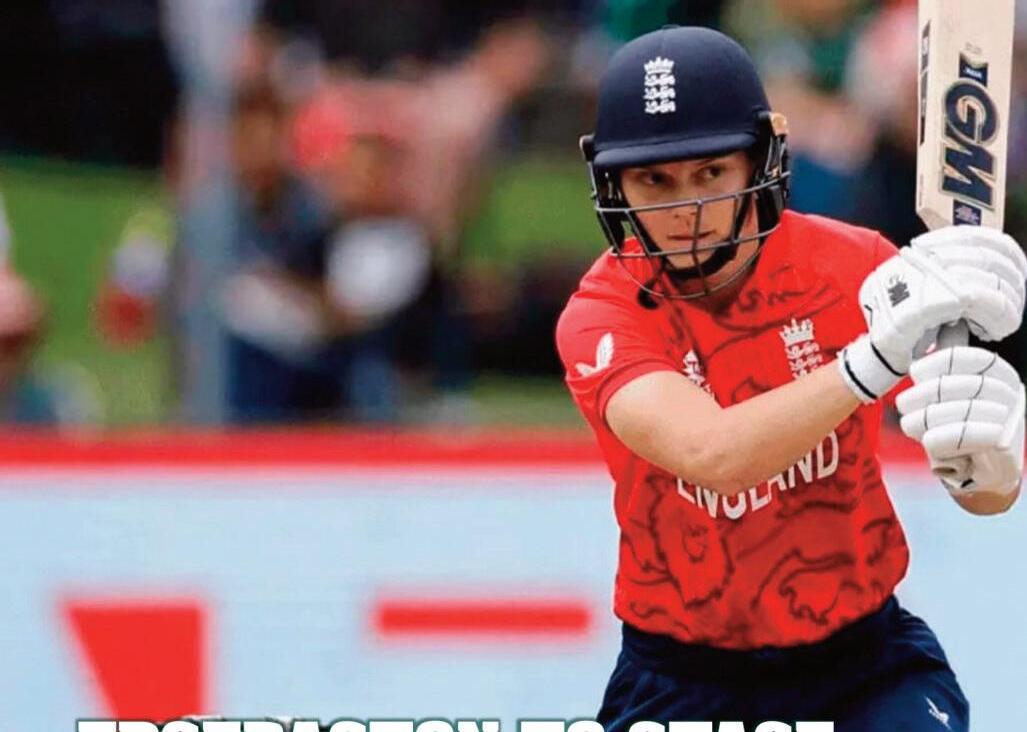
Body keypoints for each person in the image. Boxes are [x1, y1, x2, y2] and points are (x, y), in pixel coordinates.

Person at [555, 26, 1026, 731]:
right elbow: (712, 456)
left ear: (759, 160)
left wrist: (988, 459)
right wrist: (870, 362)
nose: (685, 210)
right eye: (655, 180)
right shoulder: (602, 313)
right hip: (682, 679)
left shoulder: (856, 268)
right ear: (612, 182)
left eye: (710, 172)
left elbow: (985, 494)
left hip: (862, 667)